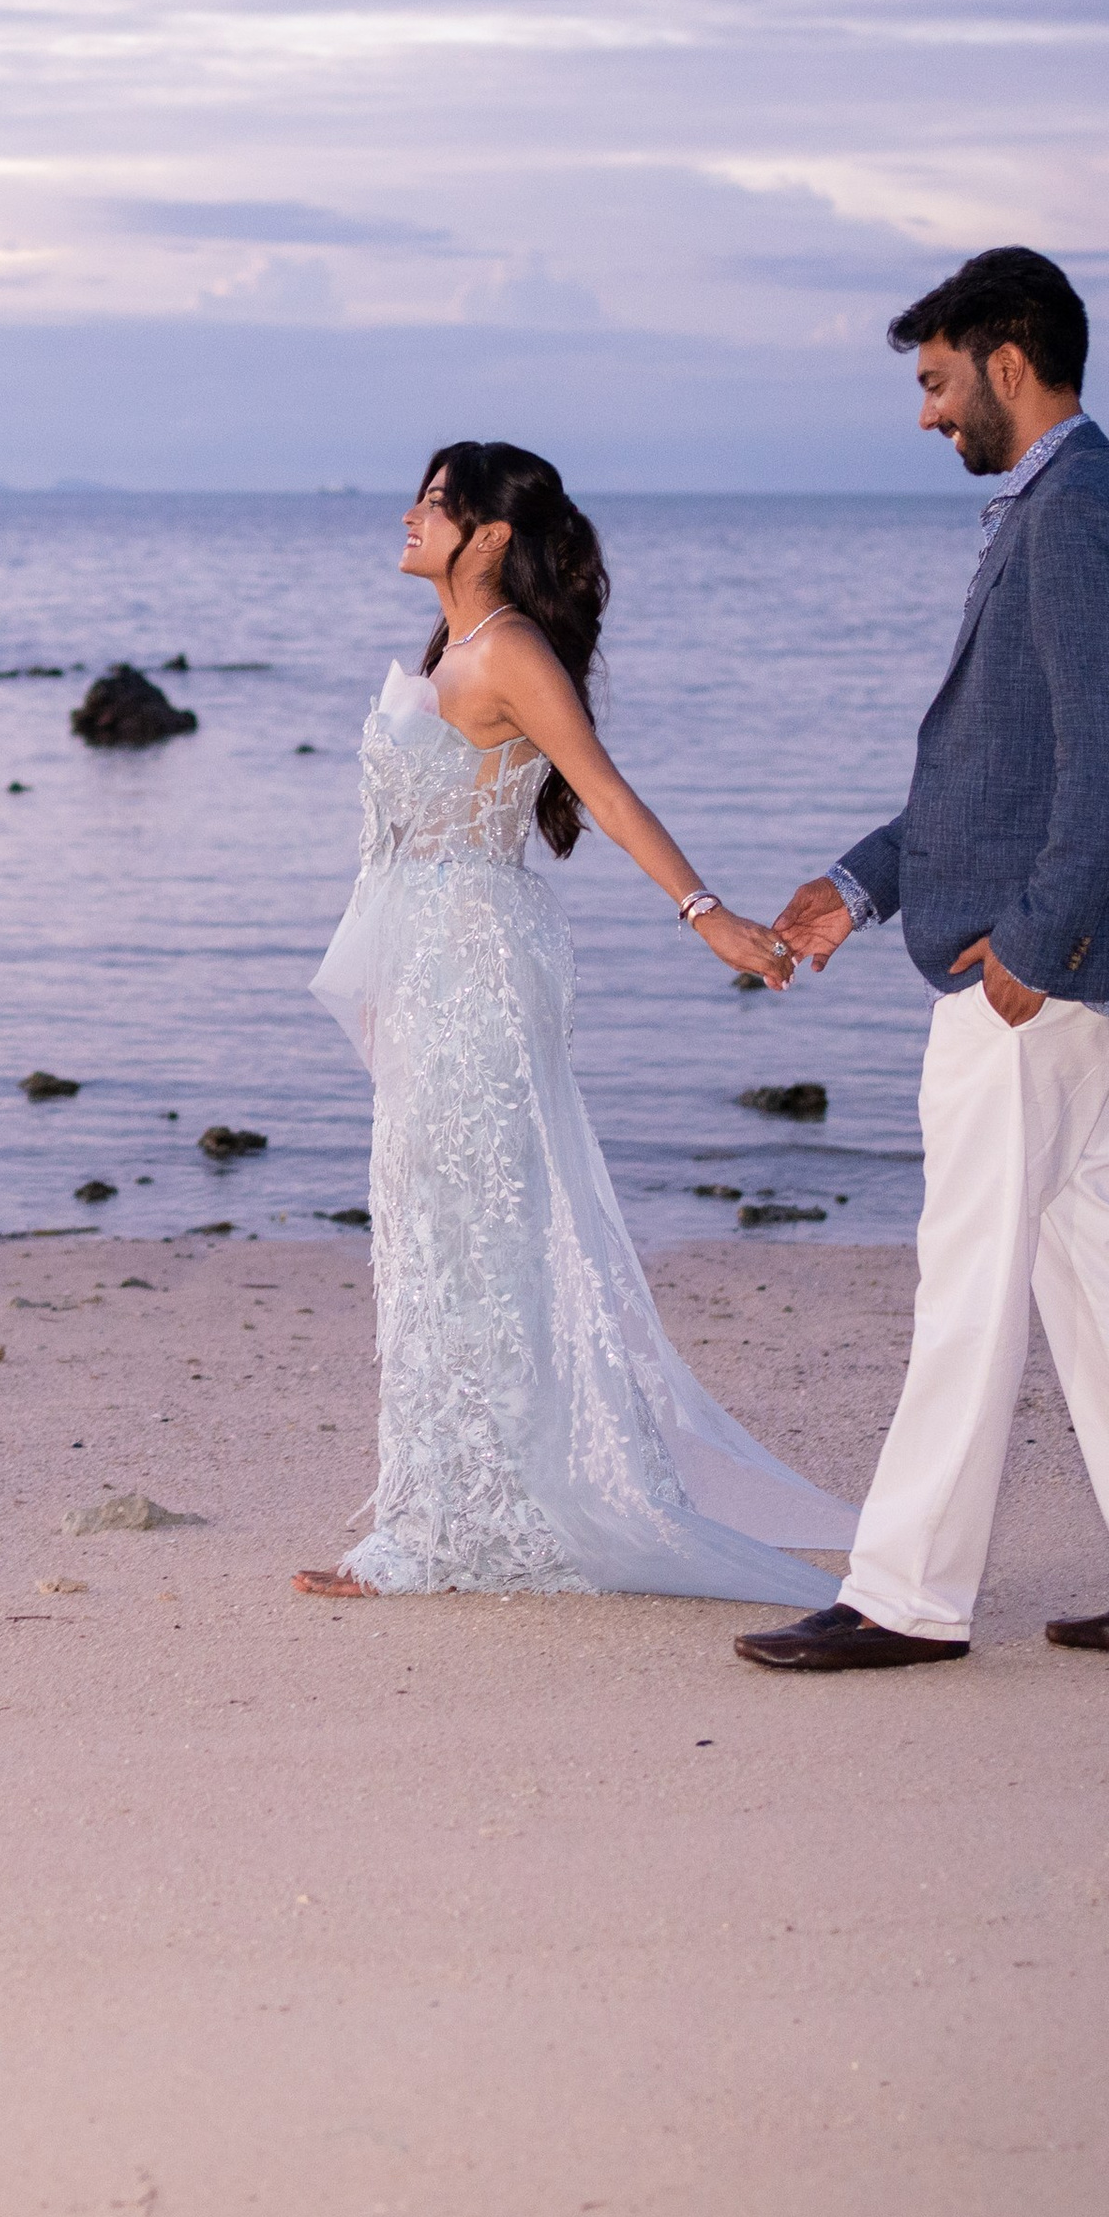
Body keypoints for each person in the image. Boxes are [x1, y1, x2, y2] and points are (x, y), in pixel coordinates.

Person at [736, 247, 1109, 1673]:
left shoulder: (1081, 510)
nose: (927, 414)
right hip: (1056, 956)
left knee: (972, 1269)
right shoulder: (1061, 504)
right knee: (1094, 1256)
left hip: (1035, 973)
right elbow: (999, 772)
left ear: (1009, 358)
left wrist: (1034, 946)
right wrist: (854, 889)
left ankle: (905, 1593)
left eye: (935, 381)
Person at [296, 441, 855, 1604]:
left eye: (434, 504)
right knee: (430, 1233)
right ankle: (445, 1513)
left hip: (477, 971)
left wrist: (709, 916)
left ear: (488, 535)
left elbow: (600, 788)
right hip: (432, 969)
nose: (406, 515)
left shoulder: (508, 651)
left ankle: (474, 1526)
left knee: (481, 1235)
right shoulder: (450, 645)